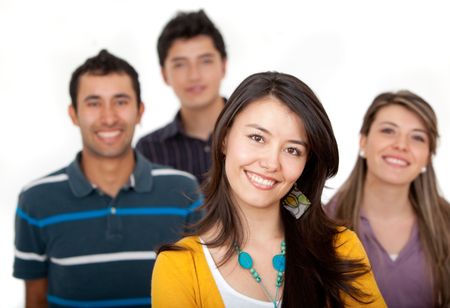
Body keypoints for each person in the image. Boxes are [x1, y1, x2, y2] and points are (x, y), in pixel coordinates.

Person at [151, 72, 386, 307]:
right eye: (257, 138)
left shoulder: (341, 248)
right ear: (224, 138)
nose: (272, 163)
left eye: (292, 150)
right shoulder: (179, 265)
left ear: (306, 164)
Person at [13, 49, 201, 307]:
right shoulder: (35, 201)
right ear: (73, 114)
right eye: (93, 103)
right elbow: (35, 301)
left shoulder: (184, 192)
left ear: (140, 110)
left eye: (121, 101)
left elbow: (200, 293)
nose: (109, 117)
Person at [325, 91, 450, 307]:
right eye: (388, 130)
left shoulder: (447, 221)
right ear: (363, 141)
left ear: (428, 156)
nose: (401, 145)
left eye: (417, 137)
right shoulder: (324, 222)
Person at [136, 9, 227, 184]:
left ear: (223, 66)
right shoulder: (149, 151)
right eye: (180, 65)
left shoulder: (257, 133)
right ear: (164, 74)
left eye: (205, 61)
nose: (194, 75)